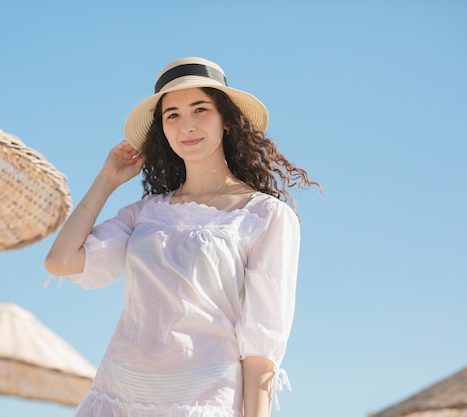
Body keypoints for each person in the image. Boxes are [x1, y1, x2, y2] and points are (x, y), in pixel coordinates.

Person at [45, 57, 320, 417]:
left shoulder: (265, 215)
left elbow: (261, 344)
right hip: (119, 397)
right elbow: (61, 261)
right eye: (172, 115)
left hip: (204, 401)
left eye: (200, 109)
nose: (186, 125)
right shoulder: (145, 213)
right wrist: (106, 181)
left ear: (226, 120)